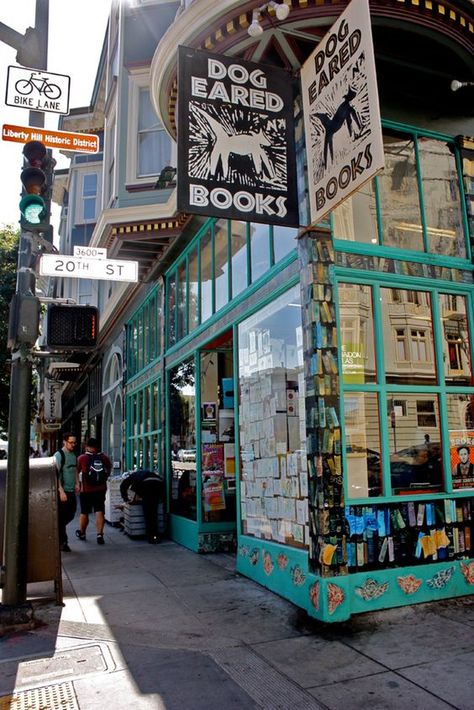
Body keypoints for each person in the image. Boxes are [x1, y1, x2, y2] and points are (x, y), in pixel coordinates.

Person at [76, 437, 112, 545]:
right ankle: (99, 535)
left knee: (84, 512)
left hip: (86, 490)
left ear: (86, 446)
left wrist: (78, 484)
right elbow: (108, 470)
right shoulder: (104, 457)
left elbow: (76, 471)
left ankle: (82, 533)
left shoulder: (82, 458)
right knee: (99, 510)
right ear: (97, 447)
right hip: (100, 489)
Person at [120, 469, 164, 544]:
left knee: (148, 513)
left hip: (146, 485)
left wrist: (125, 498)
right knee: (154, 511)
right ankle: (155, 535)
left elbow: (123, 486)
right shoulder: (144, 473)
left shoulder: (132, 477)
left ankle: (151, 537)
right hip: (158, 484)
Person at [55, 432, 79, 552]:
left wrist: (77, 483)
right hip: (63, 492)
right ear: (64, 442)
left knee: (71, 513)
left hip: (71, 491)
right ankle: (62, 542)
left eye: (75, 442)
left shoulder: (73, 455)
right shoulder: (59, 455)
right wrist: (61, 491)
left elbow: (75, 470)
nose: (73, 445)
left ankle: (58, 533)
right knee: (63, 517)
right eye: (71, 442)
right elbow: (55, 475)